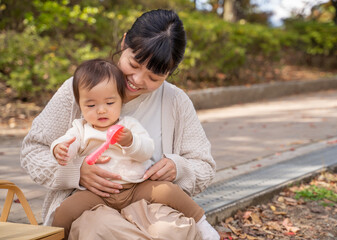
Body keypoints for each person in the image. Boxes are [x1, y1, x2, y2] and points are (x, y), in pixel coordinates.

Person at [20, 9, 218, 239]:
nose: (137, 80)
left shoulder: (175, 101)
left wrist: (178, 167)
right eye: (133, 64)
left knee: (171, 230)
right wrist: (76, 171)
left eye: (154, 77)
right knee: (98, 229)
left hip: (150, 204)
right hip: (91, 206)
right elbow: (33, 150)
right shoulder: (79, 90)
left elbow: (204, 166)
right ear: (124, 42)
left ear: (169, 73)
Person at [50, 58, 219, 239]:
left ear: (120, 100)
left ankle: (201, 223)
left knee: (169, 191)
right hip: (97, 194)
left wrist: (130, 142)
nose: (101, 110)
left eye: (109, 103)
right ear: (80, 104)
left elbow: (146, 150)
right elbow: (68, 142)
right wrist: (60, 149)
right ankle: (55, 236)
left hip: (136, 187)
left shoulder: (128, 125)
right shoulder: (81, 128)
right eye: (91, 105)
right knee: (65, 210)